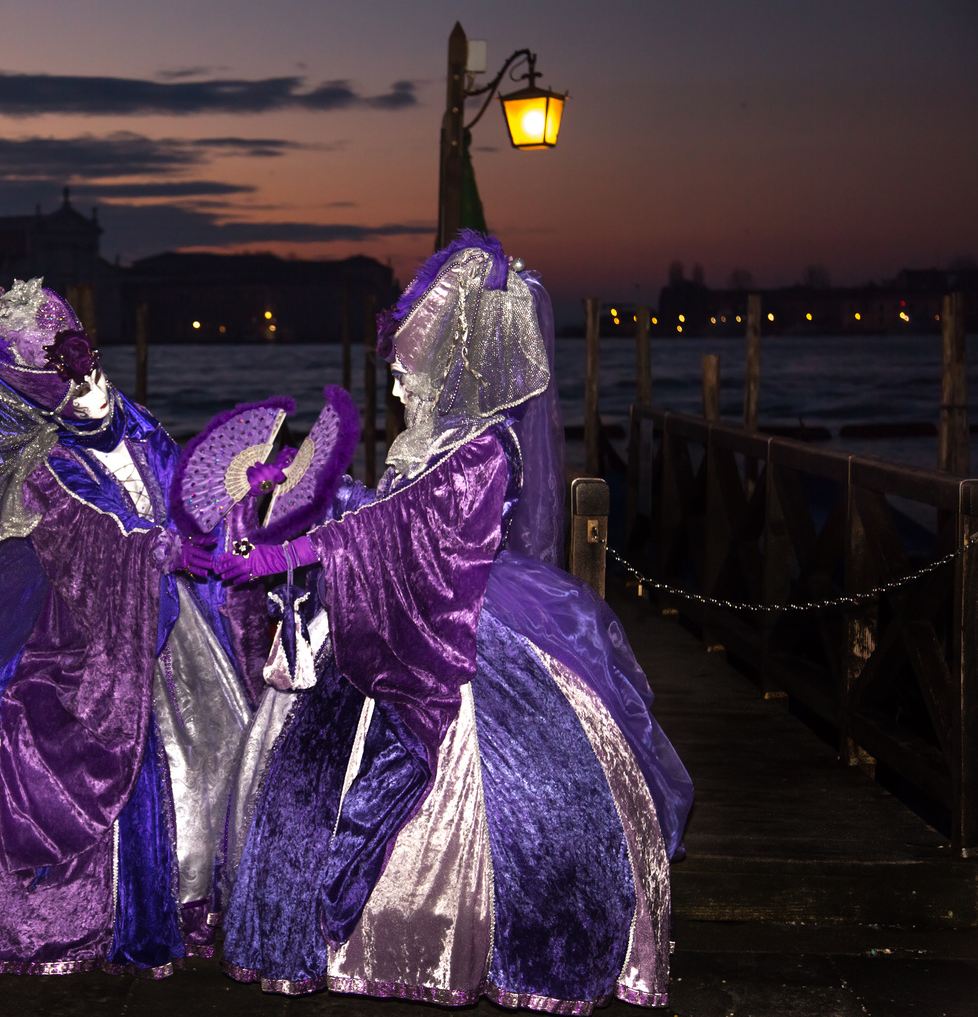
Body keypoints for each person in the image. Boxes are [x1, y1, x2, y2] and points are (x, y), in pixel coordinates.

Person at [214, 234, 692, 1011]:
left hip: (456, 622)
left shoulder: (483, 448)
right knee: (304, 774)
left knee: (523, 799)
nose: (398, 382)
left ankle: (465, 942)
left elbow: (413, 529)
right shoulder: (430, 435)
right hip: (392, 605)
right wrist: (298, 495)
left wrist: (291, 553)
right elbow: (383, 512)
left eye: (408, 368)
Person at [0, 279, 251, 976]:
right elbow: (98, 531)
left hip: (178, 625)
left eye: (83, 357)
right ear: (32, 384)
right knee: (20, 748)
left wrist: (234, 508)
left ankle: (196, 900)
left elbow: (184, 490)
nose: (84, 377)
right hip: (88, 621)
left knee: (217, 752)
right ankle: (52, 917)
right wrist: (161, 547)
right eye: (61, 368)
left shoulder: (140, 423)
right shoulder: (48, 463)